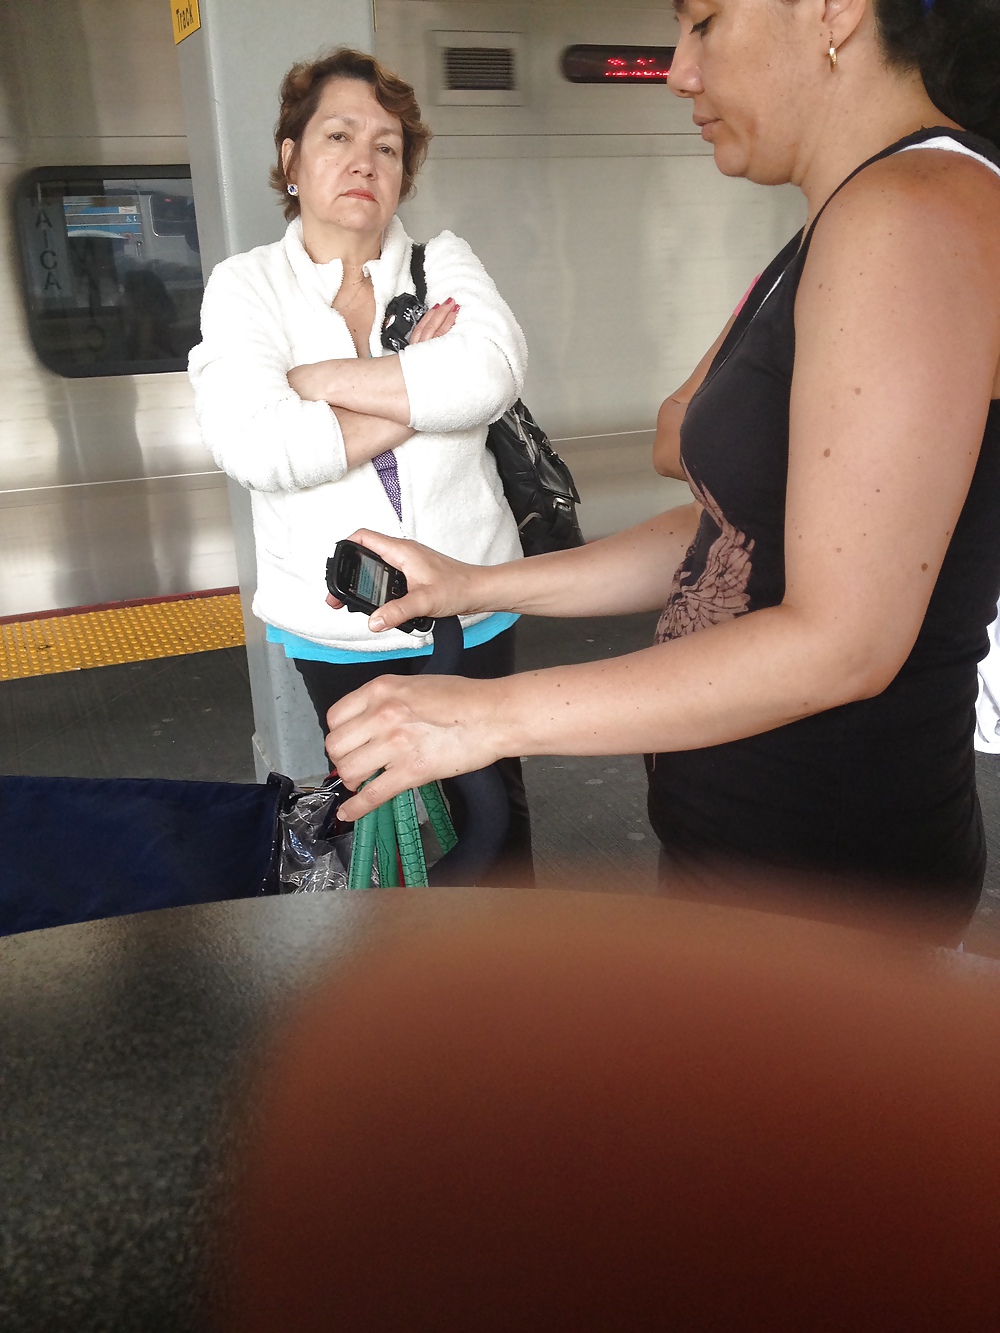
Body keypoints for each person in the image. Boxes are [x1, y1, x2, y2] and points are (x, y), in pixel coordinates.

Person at [322, 0, 1000, 942]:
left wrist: (485, 717)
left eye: (706, 22)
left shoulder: (910, 214)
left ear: (836, 10)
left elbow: (845, 641)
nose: (679, 69)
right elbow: (733, 528)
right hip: (755, 873)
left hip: (832, 908)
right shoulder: (835, 222)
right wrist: (475, 583)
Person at [188, 48, 533, 883]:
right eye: (338, 135)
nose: (364, 160)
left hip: (472, 601)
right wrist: (414, 389)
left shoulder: (440, 260)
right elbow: (259, 445)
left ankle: (521, 986)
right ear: (290, 159)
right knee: (391, 823)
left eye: (387, 146)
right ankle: (411, 993)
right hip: (339, 629)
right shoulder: (247, 288)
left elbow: (487, 377)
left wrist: (313, 387)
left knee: (494, 814)